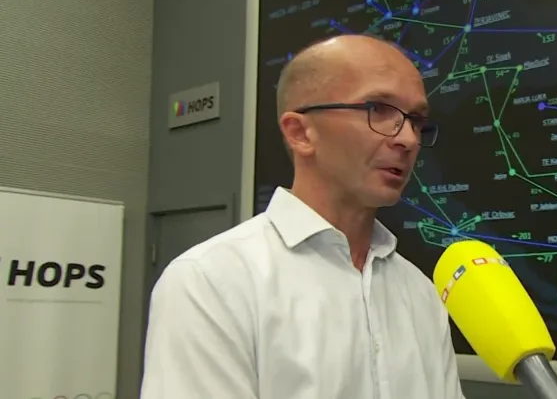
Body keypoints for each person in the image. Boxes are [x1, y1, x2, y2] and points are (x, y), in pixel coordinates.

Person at [140, 34, 466, 399]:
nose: (407, 138)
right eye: (378, 109)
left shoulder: (420, 293)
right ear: (300, 133)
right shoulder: (213, 282)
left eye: (416, 120)